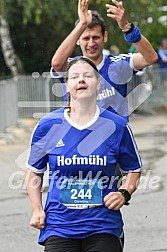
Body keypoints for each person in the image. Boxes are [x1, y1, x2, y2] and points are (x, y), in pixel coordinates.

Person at [26, 57, 142, 252]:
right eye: (74, 77)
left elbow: (133, 169)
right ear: (67, 85)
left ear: (98, 84)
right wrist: (37, 209)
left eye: (88, 76)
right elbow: (33, 172)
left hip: (103, 224)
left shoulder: (117, 126)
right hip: (59, 225)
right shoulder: (48, 125)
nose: (81, 80)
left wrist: (124, 193)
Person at [51, 0, 158, 120]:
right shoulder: (72, 67)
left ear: (105, 37)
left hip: (114, 136)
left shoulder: (119, 64)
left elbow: (151, 58)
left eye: (95, 37)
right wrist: (82, 24)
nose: (91, 43)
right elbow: (56, 63)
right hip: (80, 136)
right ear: (78, 40)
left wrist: (127, 28)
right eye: (86, 38)